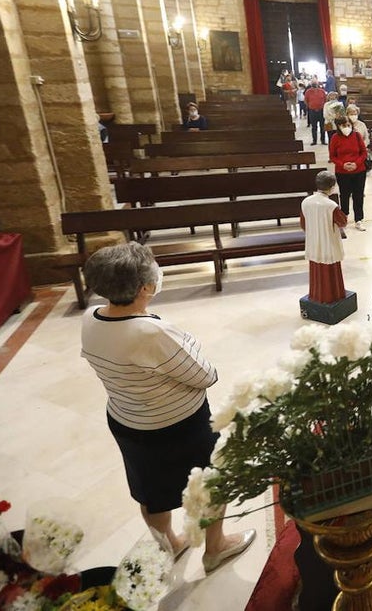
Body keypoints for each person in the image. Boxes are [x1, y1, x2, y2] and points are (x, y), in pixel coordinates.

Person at [80, 242, 255, 572]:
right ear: (146, 287)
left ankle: (171, 544)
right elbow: (205, 375)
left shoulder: (91, 318)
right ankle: (215, 546)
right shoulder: (151, 332)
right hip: (178, 425)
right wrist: (188, 342)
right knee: (209, 482)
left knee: (150, 489)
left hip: (127, 420)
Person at [300, 171, 349, 302]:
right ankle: (333, 296)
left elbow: (304, 224)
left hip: (313, 241)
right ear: (332, 187)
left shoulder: (306, 202)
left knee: (317, 270)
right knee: (330, 272)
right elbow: (343, 222)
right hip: (328, 242)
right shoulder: (330, 205)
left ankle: (316, 295)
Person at [329, 114, 368, 231]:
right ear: (338, 126)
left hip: (359, 170)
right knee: (344, 195)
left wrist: (356, 163)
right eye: (343, 125)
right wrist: (343, 164)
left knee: (358, 195)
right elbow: (332, 156)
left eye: (348, 125)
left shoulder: (356, 136)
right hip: (342, 171)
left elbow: (363, 153)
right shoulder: (335, 138)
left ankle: (359, 220)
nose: (346, 127)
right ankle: (344, 216)